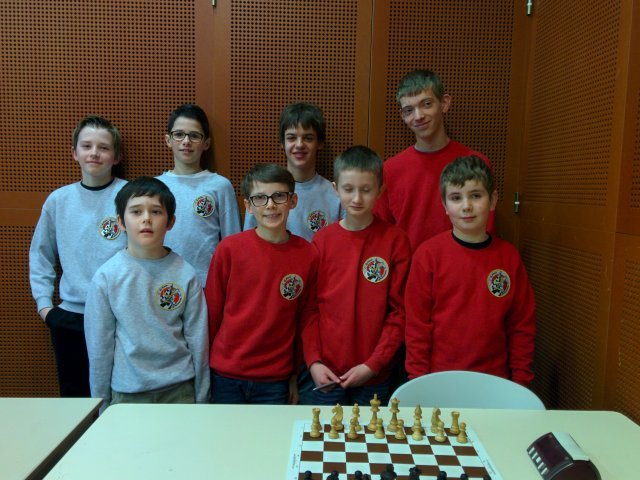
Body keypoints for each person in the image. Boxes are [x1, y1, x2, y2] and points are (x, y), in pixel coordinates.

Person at [405, 155, 535, 386]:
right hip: (439, 380)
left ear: (492, 200)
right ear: (445, 206)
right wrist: (419, 382)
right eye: (456, 198)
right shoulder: (428, 256)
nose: (466, 206)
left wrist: (521, 382)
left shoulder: (509, 257)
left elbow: (521, 325)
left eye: (476, 195)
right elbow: (417, 328)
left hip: (494, 381)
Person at [84, 177, 210, 410]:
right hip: (128, 394)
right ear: (120, 222)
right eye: (136, 212)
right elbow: (99, 348)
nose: (146, 219)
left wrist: (202, 398)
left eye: (156, 211)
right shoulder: (107, 277)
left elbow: (198, 340)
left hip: (179, 390)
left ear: (170, 222)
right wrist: (100, 405)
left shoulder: (186, 273)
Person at [302, 146, 411, 406]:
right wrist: (314, 361)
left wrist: (374, 364)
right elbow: (309, 309)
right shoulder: (322, 241)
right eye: (349, 189)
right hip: (326, 373)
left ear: (380, 191)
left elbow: (400, 313)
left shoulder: (395, 241)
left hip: (374, 375)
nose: (357, 198)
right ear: (335, 189)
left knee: (370, 434)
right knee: (323, 433)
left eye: (366, 189)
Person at [29, 115, 127, 397]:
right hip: (71, 317)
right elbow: (40, 254)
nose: (94, 153)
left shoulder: (130, 196)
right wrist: (45, 307)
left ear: (116, 156)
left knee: (119, 398)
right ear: (74, 153)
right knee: (76, 400)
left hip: (119, 316)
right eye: (87, 146)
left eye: (103, 147)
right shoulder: (58, 201)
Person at [206, 163, 318, 404]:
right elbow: (212, 314)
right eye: (260, 198)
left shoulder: (308, 254)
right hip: (226, 375)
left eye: (279, 196)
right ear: (247, 205)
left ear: (293, 200)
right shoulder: (229, 250)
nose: (270, 205)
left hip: (275, 378)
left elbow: (304, 320)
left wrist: (294, 375)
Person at [374, 69, 494, 251]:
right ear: (403, 116)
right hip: (408, 267)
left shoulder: (476, 163)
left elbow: (485, 232)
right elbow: (381, 234)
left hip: (463, 264)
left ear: (444, 103)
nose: (418, 116)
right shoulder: (389, 170)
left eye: (427, 104)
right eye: (409, 110)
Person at [158, 103, 240, 286]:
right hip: (162, 281)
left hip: (206, 283)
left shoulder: (220, 186)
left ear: (206, 143)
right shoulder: (155, 187)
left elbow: (232, 242)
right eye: (179, 134)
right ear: (168, 140)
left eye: (194, 135)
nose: (186, 141)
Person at [243, 102, 342, 241]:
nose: (299, 144)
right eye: (291, 138)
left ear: (320, 143)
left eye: (308, 138)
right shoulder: (262, 193)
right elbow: (249, 242)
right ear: (282, 143)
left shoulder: (336, 195)